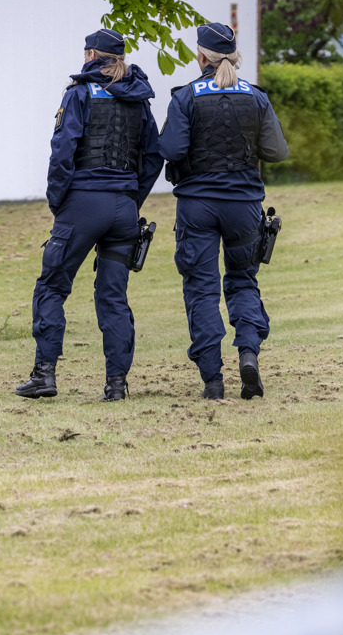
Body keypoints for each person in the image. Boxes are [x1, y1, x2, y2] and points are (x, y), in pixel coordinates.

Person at [15, 28, 164, 402]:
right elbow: (154, 155)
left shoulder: (79, 93)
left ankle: (44, 375)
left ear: (91, 56)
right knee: (113, 297)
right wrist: (133, 198)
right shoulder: (140, 100)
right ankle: (116, 385)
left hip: (82, 203)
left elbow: (62, 152)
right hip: (124, 209)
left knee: (52, 286)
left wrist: (58, 203)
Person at [158, 22, 289, 400]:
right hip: (244, 207)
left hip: (196, 207)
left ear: (201, 57)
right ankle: (248, 353)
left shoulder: (185, 97)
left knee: (201, 289)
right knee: (243, 282)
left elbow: (171, 151)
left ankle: (213, 382)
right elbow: (278, 152)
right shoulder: (256, 97)